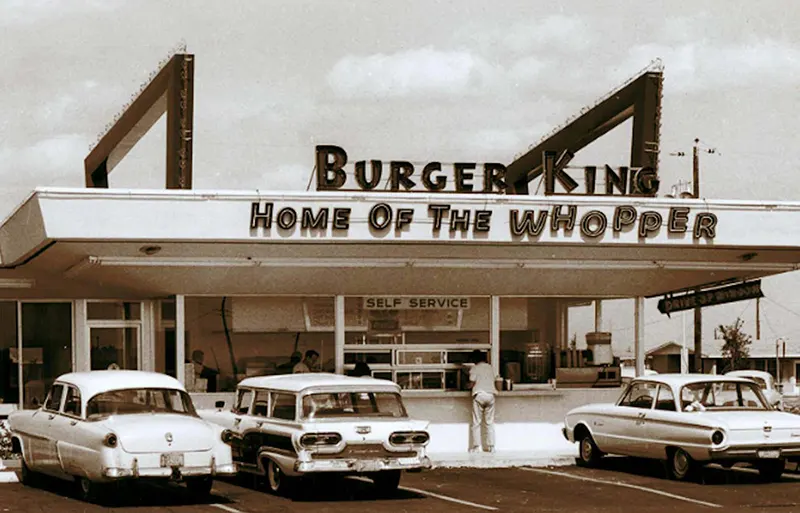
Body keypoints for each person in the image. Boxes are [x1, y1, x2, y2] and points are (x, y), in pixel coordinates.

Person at [468, 350, 498, 453]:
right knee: (489, 423)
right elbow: (494, 380)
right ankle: (491, 447)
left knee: (476, 423)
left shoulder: (475, 368)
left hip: (479, 395)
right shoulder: (490, 367)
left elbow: (472, 383)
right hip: (491, 395)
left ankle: (477, 447)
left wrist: (466, 386)